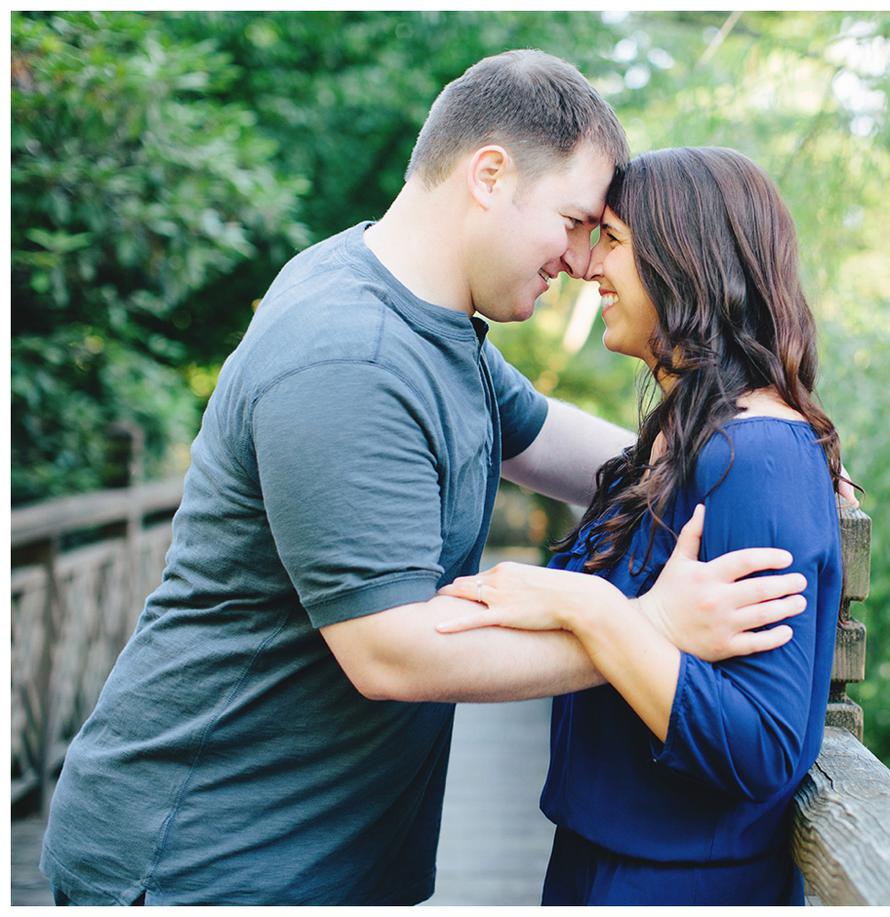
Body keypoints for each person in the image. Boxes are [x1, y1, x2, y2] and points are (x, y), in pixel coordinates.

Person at [39, 52, 824, 906]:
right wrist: (641, 625)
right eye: (571, 221)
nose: (578, 260)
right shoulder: (350, 355)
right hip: (203, 854)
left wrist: (760, 442)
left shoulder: (433, 325)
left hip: (305, 850)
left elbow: (565, 443)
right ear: (489, 176)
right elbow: (390, 652)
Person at [432, 147, 848, 905]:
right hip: (592, 865)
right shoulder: (675, 445)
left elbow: (766, 745)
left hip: (680, 884)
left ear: (685, 261)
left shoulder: (759, 458)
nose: (588, 266)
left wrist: (590, 608)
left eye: (614, 241)